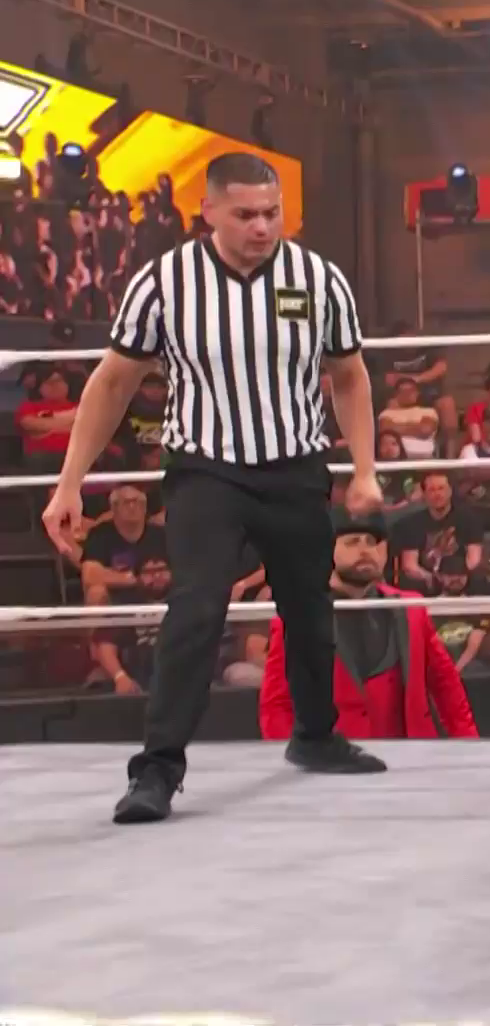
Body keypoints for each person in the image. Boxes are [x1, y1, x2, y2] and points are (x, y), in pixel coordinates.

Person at [41, 152, 387, 825]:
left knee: (310, 610)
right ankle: (157, 769)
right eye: (246, 214)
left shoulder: (318, 278)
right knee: (196, 609)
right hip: (205, 467)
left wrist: (366, 470)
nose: (262, 227)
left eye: (272, 213)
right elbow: (113, 382)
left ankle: (315, 736)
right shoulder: (164, 282)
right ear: (209, 212)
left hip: (295, 464)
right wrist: (69, 484)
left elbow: (349, 376)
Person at [258, 510, 477, 741]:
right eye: (352, 542)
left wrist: (469, 746)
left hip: (409, 754)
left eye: (372, 542)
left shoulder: (410, 608)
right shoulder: (299, 615)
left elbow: (446, 685)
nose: (365, 550)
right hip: (336, 756)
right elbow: (277, 705)